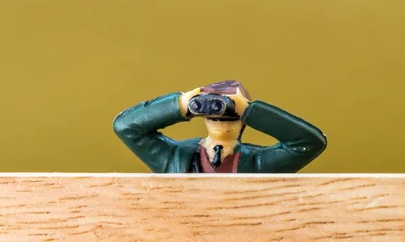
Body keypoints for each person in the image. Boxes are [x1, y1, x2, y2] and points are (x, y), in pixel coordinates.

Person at [113, 80, 327, 173]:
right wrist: (182, 104)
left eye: (229, 114)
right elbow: (126, 127)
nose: (219, 117)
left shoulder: (258, 163)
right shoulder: (176, 157)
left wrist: (249, 110)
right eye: (212, 114)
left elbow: (309, 143)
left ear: (243, 124)